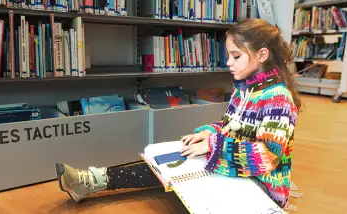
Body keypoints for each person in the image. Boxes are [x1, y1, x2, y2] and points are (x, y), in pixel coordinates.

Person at [54, 18, 301, 211]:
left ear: (262, 55)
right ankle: (93, 180)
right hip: (233, 166)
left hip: (262, 187)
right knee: (173, 158)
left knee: (186, 174)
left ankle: (93, 181)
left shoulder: (278, 98)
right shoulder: (244, 89)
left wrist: (213, 145)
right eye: (229, 55)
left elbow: (268, 156)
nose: (228, 62)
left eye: (236, 56)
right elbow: (229, 127)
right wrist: (209, 132)